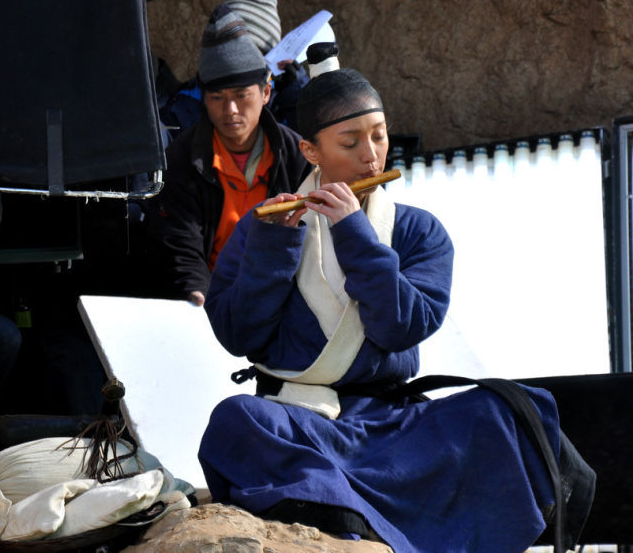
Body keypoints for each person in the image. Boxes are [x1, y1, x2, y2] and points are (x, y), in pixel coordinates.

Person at [197, 66, 595, 552]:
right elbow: (240, 335)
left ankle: (348, 512)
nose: (370, 156)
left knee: (502, 411)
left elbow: (402, 326)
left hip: (392, 425)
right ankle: (352, 521)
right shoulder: (265, 227)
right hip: (298, 421)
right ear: (311, 151)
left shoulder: (418, 231)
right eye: (350, 143)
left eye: (379, 136)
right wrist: (273, 247)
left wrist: (354, 233)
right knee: (236, 420)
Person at [148, 2, 310, 306]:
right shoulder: (181, 160)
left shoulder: (297, 156)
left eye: (241, 95)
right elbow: (180, 245)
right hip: (211, 297)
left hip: (282, 296)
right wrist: (199, 297)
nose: (230, 110)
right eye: (217, 97)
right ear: (204, 99)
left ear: (265, 93)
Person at [159, 0, 310, 135]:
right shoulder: (185, 105)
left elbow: (310, 144)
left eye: (258, 55)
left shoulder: (280, 100)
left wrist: (299, 97)